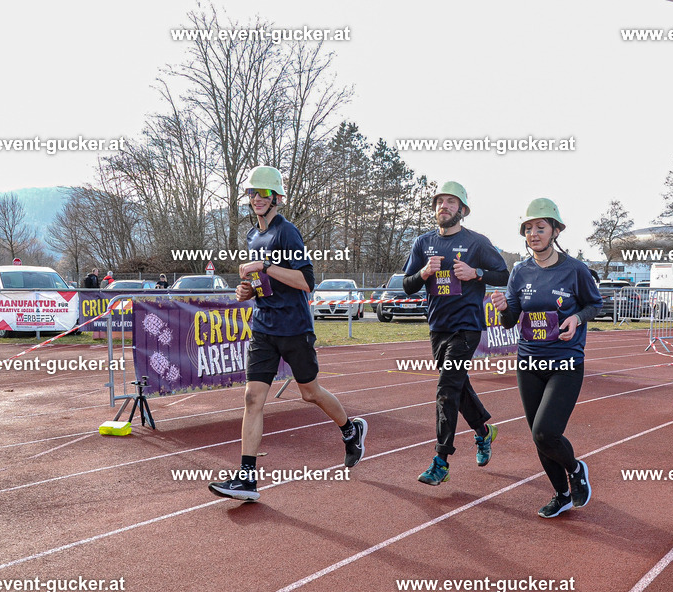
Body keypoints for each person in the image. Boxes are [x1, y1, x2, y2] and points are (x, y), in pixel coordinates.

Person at [208, 165, 368, 501]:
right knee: (252, 398)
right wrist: (248, 291)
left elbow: (305, 282)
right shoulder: (253, 236)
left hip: (294, 328)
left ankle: (350, 430)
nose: (257, 198)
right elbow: (263, 285)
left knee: (310, 393)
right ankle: (247, 478)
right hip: (264, 327)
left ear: (276, 197)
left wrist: (264, 266)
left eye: (263, 193)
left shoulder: (287, 233)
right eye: (252, 193)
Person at [491, 198, 603, 518]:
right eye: (528, 228)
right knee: (538, 438)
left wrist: (577, 319)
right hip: (528, 362)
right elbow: (511, 320)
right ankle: (562, 494)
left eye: (540, 227)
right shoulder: (520, 272)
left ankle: (576, 468)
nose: (534, 233)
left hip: (565, 362)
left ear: (555, 230)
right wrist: (503, 309)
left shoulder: (575, 269)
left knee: (545, 431)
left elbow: (594, 304)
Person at [402, 180, 509, 485]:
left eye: (450, 202)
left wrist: (476, 273)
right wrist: (424, 273)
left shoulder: (477, 243)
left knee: (446, 389)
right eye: (439, 202)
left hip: (467, 326)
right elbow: (408, 286)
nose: (443, 207)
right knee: (458, 388)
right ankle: (484, 432)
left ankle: (441, 460)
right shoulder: (423, 243)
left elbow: (504, 273)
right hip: (438, 327)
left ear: (462, 210)